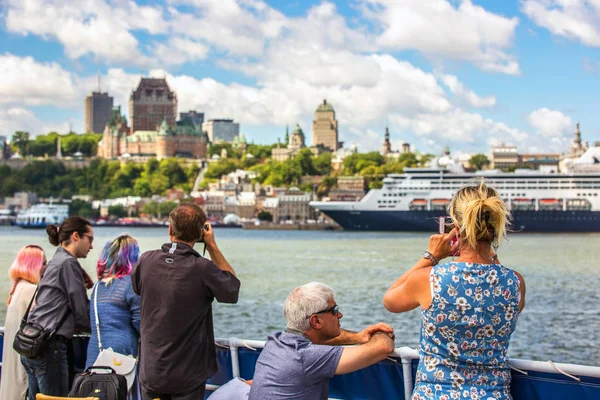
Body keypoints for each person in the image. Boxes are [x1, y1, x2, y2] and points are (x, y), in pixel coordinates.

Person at [383, 180, 526, 400]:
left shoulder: (429, 279)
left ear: (455, 229)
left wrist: (431, 257)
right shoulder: (515, 283)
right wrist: (491, 254)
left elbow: (390, 301)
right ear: (496, 227)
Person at [131, 203, 240, 400]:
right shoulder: (202, 268)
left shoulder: (145, 261)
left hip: (152, 370)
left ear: (170, 229)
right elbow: (231, 290)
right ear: (200, 234)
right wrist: (212, 246)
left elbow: (137, 288)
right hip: (187, 374)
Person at [249, 282, 395, 400]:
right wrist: (381, 332)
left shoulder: (275, 342)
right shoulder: (305, 357)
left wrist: (358, 337)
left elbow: (318, 341)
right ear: (316, 321)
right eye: (334, 310)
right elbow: (383, 347)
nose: (340, 315)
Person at [21, 216, 94, 399]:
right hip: (51, 346)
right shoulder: (68, 263)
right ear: (76, 236)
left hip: (32, 343)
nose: (91, 246)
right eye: (90, 239)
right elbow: (81, 310)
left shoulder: (55, 261)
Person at [86, 234, 141, 400]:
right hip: (121, 358)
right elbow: (141, 324)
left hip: (96, 355)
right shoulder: (130, 284)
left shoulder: (98, 287)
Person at [0, 245, 46, 400]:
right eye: (43, 264)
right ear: (34, 266)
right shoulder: (31, 291)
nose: (46, 268)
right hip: (24, 367)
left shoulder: (18, 288)